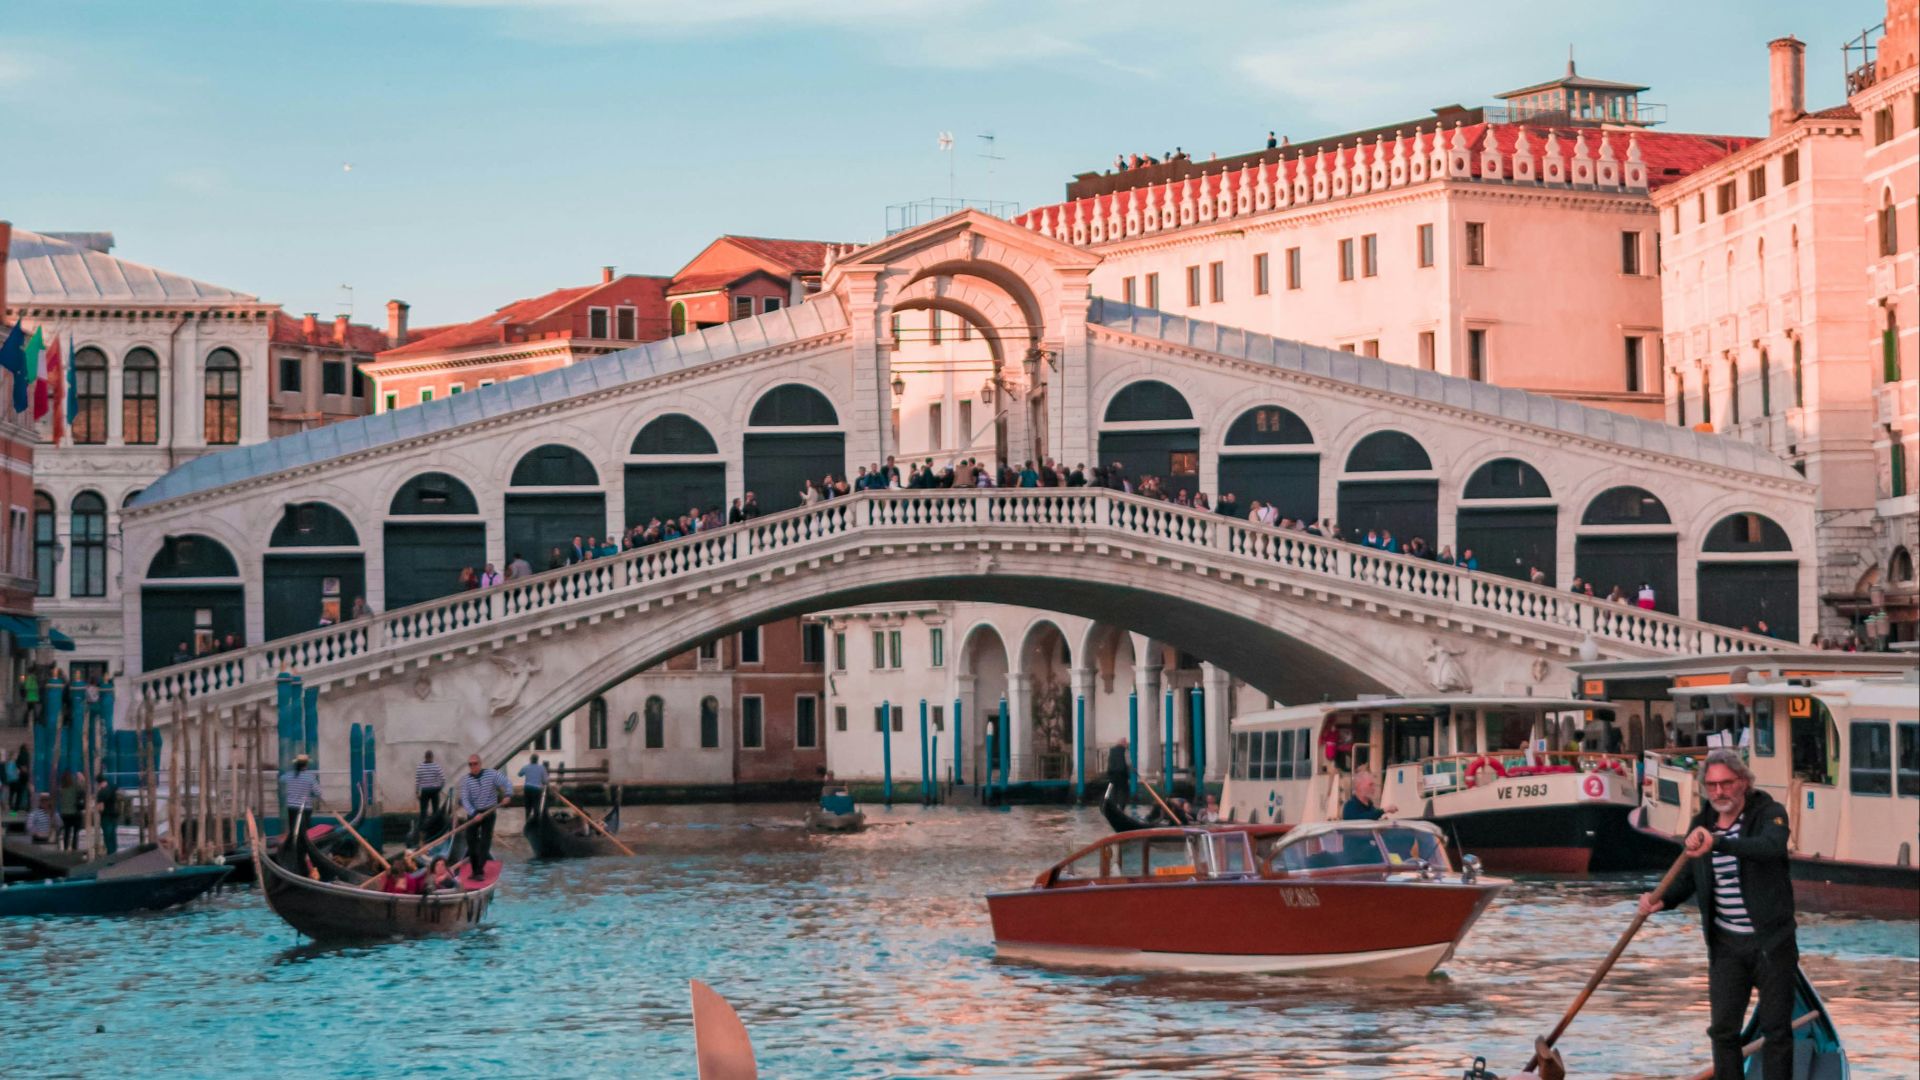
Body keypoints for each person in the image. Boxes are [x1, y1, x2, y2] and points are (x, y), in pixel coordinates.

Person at [1637, 749, 1797, 1080]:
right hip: (1726, 946)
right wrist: (1661, 901)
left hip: (1772, 943)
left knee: (1776, 1029)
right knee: (1723, 1032)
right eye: (1711, 786)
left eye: (1725, 783)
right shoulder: (1701, 825)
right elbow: (1687, 879)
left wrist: (1719, 842)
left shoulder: (1770, 813)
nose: (1718, 792)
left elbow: (1771, 847)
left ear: (1744, 782)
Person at [457, 755, 512, 878]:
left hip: (489, 812)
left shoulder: (492, 774)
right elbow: (465, 800)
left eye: (475, 763)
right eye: (470, 764)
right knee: (470, 840)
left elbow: (507, 782)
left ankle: (479, 871)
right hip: (474, 813)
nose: (473, 766)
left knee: (485, 842)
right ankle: (475, 869)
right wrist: (474, 814)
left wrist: (508, 794)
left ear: (480, 764)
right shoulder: (465, 780)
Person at [280, 753, 322, 860]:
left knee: (293, 828)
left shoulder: (289, 775)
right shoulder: (310, 777)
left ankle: (293, 848)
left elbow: (281, 779)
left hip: (291, 807)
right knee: (304, 831)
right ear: (306, 765)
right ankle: (303, 851)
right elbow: (318, 792)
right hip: (305, 808)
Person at [415, 750, 446, 825]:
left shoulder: (420, 767)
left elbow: (417, 781)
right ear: (432, 757)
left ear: (425, 757)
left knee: (423, 810)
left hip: (424, 791)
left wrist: (417, 792)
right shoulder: (436, 766)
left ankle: (422, 827)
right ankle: (436, 826)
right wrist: (440, 788)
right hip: (435, 790)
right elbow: (443, 779)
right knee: (435, 810)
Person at [95, 770, 120, 855]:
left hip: (106, 816)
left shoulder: (101, 793)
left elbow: (100, 808)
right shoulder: (112, 787)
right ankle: (115, 853)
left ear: (98, 783)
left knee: (107, 837)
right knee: (113, 836)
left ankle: (110, 855)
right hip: (114, 814)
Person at [58, 771, 85, 850]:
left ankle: (66, 848)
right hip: (74, 813)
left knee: (67, 832)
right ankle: (74, 847)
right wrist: (82, 780)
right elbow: (82, 790)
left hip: (64, 814)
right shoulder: (74, 786)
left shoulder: (61, 788)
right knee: (75, 832)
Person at [519, 753, 547, 819]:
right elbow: (545, 780)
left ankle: (528, 821)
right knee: (536, 806)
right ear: (537, 760)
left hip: (527, 788)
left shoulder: (526, 767)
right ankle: (535, 822)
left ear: (530, 759)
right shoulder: (541, 768)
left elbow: (520, 774)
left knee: (528, 806)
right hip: (537, 789)